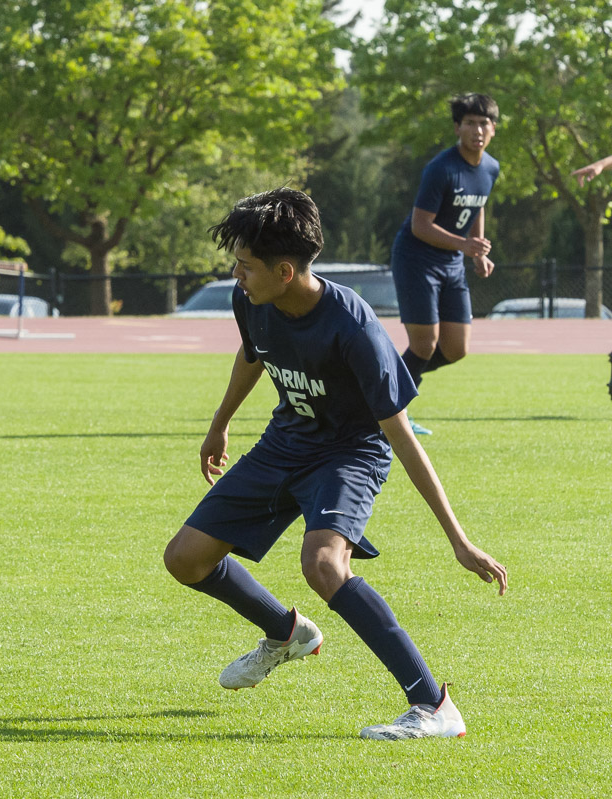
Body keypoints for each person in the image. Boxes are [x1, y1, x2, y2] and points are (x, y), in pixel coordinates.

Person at [163, 187, 507, 740]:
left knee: (323, 564)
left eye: (246, 266)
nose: (237, 275)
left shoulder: (354, 327)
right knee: (184, 560)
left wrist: (458, 540)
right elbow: (253, 353)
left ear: (284, 272)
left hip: (350, 452)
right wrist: (220, 422)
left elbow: (400, 437)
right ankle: (289, 632)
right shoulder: (250, 296)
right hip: (285, 442)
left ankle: (433, 705)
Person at [390, 93, 501, 435]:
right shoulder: (441, 168)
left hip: (453, 261)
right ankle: (387, 412)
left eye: (484, 123)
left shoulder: (491, 167)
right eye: (469, 123)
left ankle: (383, 388)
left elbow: (477, 204)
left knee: (456, 348)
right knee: (424, 344)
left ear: (494, 129)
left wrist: (478, 251)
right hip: (416, 259)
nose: (477, 130)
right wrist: (465, 246)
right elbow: (420, 226)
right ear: (457, 128)